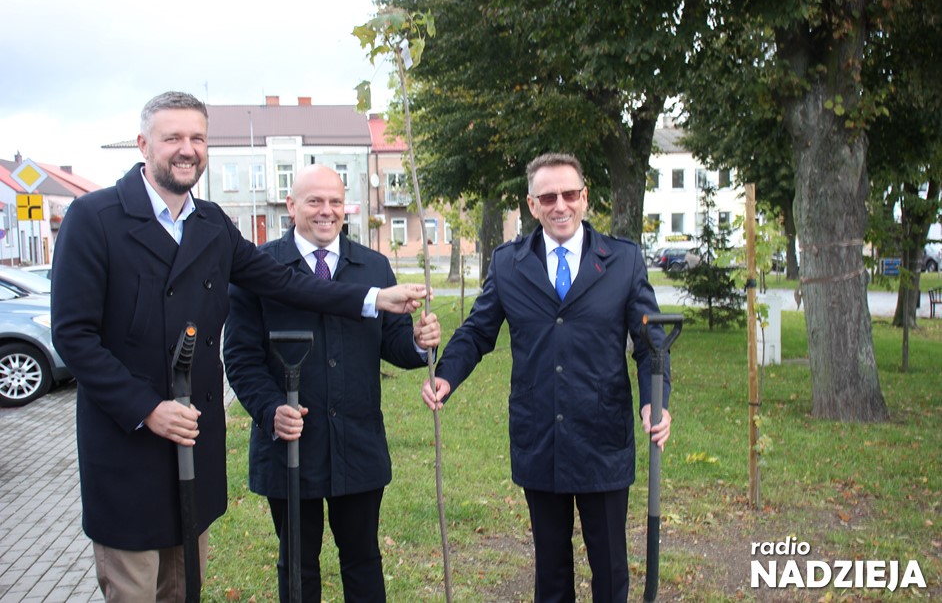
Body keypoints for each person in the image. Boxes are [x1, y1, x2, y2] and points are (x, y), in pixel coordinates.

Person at [50, 91, 427, 602]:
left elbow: (287, 283)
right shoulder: (93, 218)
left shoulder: (211, 225)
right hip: (129, 448)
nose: (187, 149)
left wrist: (374, 297)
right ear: (143, 144)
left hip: (194, 444)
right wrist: (147, 409)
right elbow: (73, 336)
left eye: (198, 138)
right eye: (173, 138)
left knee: (186, 588)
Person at [421, 152, 673, 602]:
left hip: (603, 437)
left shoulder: (623, 260)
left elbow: (651, 342)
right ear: (532, 205)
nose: (561, 205)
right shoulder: (508, 264)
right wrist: (447, 375)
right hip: (540, 436)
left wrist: (656, 400)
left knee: (610, 567)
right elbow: (478, 330)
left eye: (569, 194)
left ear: (585, 198)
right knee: (551, 572)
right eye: (549, 197)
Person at [223, 164, 440, 602]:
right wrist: (270, 410)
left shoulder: (373, 266)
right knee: (297, 564)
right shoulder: (259, 269)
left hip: (356, 443)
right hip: (290, 445)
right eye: (315, 201)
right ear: (291, 206)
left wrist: (418, 343)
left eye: (335, 202)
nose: (327, 211)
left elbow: (394, 343)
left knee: (363, 559)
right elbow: (241, 358)